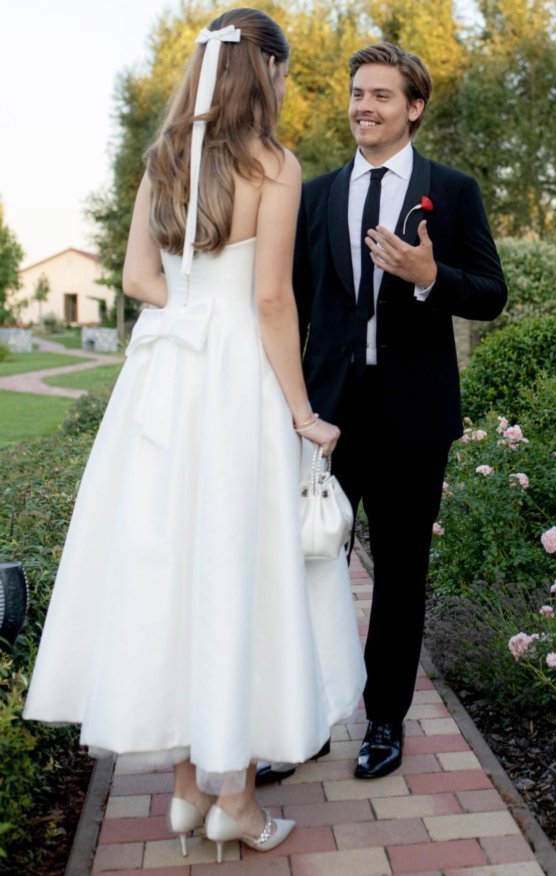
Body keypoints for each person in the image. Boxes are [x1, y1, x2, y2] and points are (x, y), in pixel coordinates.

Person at [23, 7, 365, 864]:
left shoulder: (166, 159)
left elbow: (139, 278)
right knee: (238, 568)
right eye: (284, 71)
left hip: (162, 382)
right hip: (237, 385)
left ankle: (185, 790)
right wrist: (303, 413)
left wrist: (192, 309)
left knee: (171, 566)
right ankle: (235, 802)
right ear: (267, 70)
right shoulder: (273, 164)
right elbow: (272, 300)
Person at [293, 43, 507, 780]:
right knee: (305, 565)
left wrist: (429, 274)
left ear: (414, 107)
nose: (364, 106)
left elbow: (490, 292)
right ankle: (303, 720)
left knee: (401, 573)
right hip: (326, 417)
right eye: (358, 92)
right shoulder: (315, 195)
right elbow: (291, 306)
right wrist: (291, 403)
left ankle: (383, 721)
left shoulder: (452, 191)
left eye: (381, 95)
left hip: (414, 416)